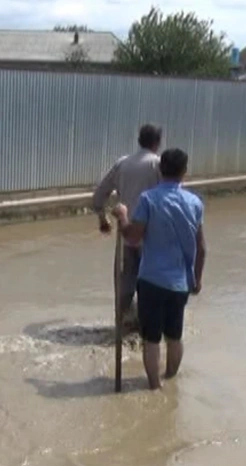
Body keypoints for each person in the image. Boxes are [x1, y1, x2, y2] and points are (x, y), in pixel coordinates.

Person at [111, 148, 206, 390]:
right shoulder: (195, 203)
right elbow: (202, 247)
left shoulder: (149, 199)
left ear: (160, 169)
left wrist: (122, 216)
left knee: (151, 339)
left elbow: (132, 237)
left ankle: (154, 386)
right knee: (174, 336)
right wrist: (197, 279)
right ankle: (171, 379)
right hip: (180, 283)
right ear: (184, 172)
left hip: (152, 280)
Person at [92, 124, 162, 328]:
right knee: (150, 285)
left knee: (125, 285)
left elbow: (98, 196)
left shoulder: (123, 163)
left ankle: (122, 327)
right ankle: (147, 331)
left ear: (139, 140)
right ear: (157, 143)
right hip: (151, 237)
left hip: (125, 233)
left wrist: (102, 218)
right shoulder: (158, 164)